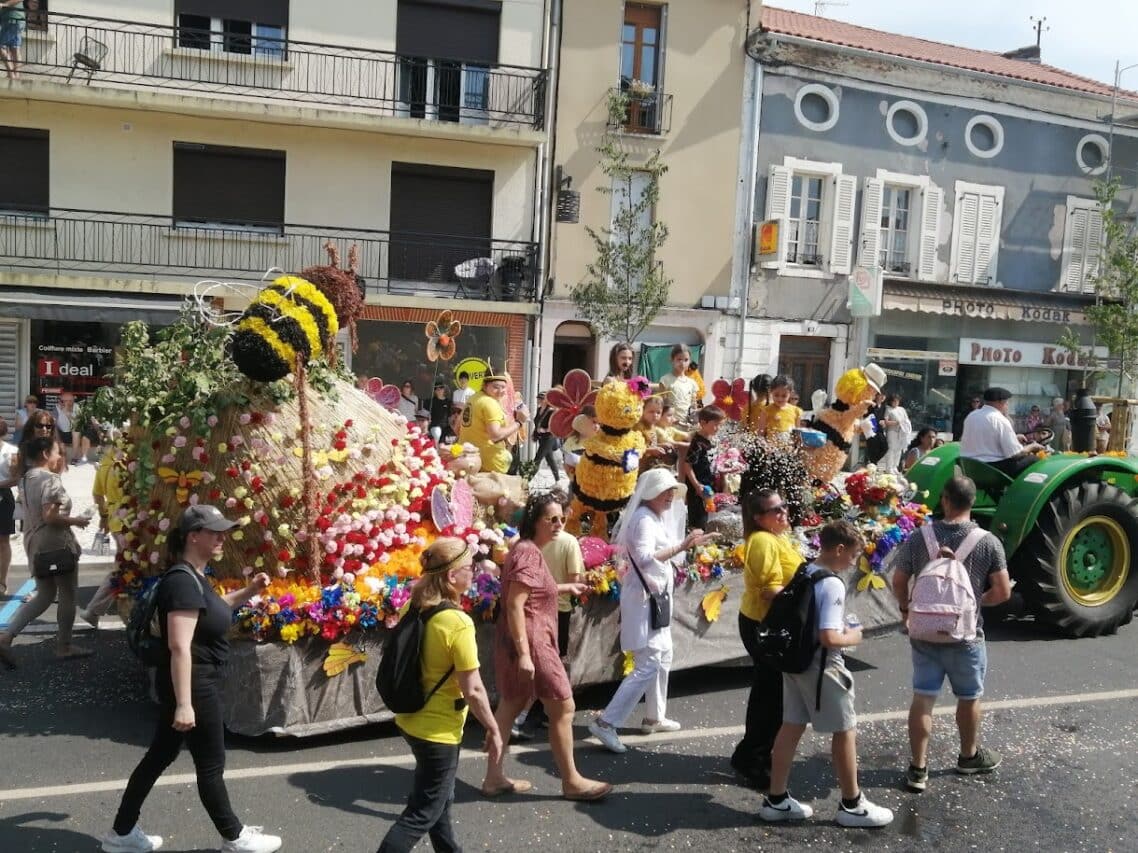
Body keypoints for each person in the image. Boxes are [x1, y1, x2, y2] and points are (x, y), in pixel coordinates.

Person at [100, 505, 283, 853]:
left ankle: (121, 833)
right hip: (194, 684)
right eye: (214, 531)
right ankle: (235, 836)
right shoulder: (183, 581)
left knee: (159, 756)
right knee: (211, 763)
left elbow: (213, 611)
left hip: (191, 682)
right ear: (192, 535)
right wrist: (185, 704)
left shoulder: (193, 576)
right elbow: (179, 645)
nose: (221, 537)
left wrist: (248, 591)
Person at [759, 521, 894, 828]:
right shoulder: (832, 583)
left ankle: (776, 799)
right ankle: (852, 804)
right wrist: (855, 636)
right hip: (822, 667)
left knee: (790, 727)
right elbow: (830, 637)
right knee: (845, 730)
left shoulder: (805, 570)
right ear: (839, 549)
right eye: (853, 555)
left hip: (794, 663)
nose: (854, 562)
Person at [379, 537, 510, 852]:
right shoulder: (458, 623)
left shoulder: (416, 604)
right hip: (439, 731)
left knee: (439, 799)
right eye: (470, 568)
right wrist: (494, 729)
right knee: (421, 814)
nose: (474, 572)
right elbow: (474, 689)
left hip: (412, 720)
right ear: (452, 577)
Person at [486, 492, 612, 801]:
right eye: (551, 519)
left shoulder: (524, 549)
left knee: (510, 707)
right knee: (563, 706)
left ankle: (493, 778)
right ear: (535, 520)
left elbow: (528, 591)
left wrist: (564, 587)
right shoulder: (529, 553)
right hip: (532, 640)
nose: (558, 525)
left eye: (562, 519)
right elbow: (515, 605)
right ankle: (571, 781)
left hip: (523, 640)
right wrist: (526, 654)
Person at [891, 475, 1011, 793]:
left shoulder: (920, 538)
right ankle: (968, 756)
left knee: (923, 697)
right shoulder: (988, 542)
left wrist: (906, 610)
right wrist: (976, 604)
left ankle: (918, 768)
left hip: (924, 633)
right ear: (972, 502)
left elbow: (899, 580)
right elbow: (1002, 591)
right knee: (969, 697)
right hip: (966, 636)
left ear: (944, 500)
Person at [588, 470, 716, 753]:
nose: (671, 496)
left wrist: (691, 544)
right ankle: (607, 722)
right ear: (651, 493)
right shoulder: (644, 519)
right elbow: (646, 559)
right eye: (665, 491)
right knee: (649, 660)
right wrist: (684, 545)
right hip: (644, 598)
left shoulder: (654, 517)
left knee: (664, 655)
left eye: (672, 490)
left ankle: (654, 715)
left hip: (655, 596)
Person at [730, 488, 804, 789]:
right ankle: (753, 757)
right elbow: (768, 590)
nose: (783, 512)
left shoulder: (776, 536)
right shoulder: (761, 541)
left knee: (772, 693)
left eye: (783, 506)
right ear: (759, 518)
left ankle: (755, 752)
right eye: (776, 510)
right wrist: (806, 593)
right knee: (769, 695)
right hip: (763, 624)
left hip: (770, 623)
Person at [0, 436, 92, 669]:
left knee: (44, 593)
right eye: (56, 452)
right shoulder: (49, 479)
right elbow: (50, 516)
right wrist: (77, 520)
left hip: (34, 542)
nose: (60, 456)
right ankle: (64, 645)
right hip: (55, 542)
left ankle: (7, 636)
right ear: (44, 454)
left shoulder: (26, 478)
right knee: (68, 592)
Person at [80, 448, 128, 627]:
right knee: (124, 567)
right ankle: (94, 609)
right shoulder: (126, 464)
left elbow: (97, 495)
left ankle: (95, 610)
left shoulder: (105, 465)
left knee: (123, 565)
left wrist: (104, 515)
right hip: (129, 520)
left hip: (115, 518)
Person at [960, 387, 1044, 477]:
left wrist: (1014, 438)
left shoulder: (972, 416)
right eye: (1007, 402)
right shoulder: (1000, 419)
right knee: (1034, 459)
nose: (1007, 404)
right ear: (1000, 402)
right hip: (993, 469)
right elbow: (1016, 454)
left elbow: (986, 440)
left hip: (970, 466)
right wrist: (1032, 446)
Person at [459, 370, 528, 474]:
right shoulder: (490, 403)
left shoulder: (472, 398)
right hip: (490, 464)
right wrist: (519, 422)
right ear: (485, 385)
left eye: (503, 387)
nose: (500, 391)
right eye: (496, 387)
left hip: (467, 459)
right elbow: (495, 435)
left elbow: (457, 427)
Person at [679, 406, 724, 530]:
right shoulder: (698, 444)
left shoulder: (710, 440)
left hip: (708, 485)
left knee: (707, 514)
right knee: (698, 517)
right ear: (703, 423)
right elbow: (687, 464)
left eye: (720, 425)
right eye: (715, 425)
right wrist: (696, 485)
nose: (718, 428)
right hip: (698, 487)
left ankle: (702, 539)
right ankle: (695, 542)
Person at [635, 396, 676, 473]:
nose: (655, 415)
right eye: (651, 412)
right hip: (639, 468)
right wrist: (651, 450)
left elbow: (649, 444)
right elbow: (634, 449)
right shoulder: (638, 427)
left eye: (658, 412)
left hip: (650, 466)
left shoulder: (653, 426)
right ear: (642, 410)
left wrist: (660, 445)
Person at [756, 375, 803, 443]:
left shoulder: (796, 411)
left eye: (784, 396)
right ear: (771, 392)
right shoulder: (766, 411)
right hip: (772, 451)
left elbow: (798, 434)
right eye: (776, 395)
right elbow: (760, 434)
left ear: (790, 393)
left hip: (789, 451)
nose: (780, 399)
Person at [659, 344, 699, 422]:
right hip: (671, 425)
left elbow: (693, 405)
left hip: (688, 425)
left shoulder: (692, 383)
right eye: (679, 359)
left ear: (690, 361)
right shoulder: (665, 380)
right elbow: (662, 404)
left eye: (686, 360)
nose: (682, 363)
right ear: (672, 360)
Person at [0, 418, 16, 596]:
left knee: (3, 540)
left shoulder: (12, 451)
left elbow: (15, 478)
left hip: (3, 498)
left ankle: (2, 582)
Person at [531, 391, 562, 482]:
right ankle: (558, 480)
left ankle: (527, 479)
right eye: (538, 398)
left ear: (546, 400)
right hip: (541, 437)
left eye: (541, 398)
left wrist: (544, 430)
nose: (539, 400)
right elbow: (537, 423)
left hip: (549, 437)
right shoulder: (539, 409)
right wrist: (535, 432)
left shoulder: (551, 410)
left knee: (537, 459)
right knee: (550, 459)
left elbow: (554, 425)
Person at [560, 407, 596, 484]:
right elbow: (567, 463)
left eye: (596, 422)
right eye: (592, 421)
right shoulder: (572, 440)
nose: (595, 425)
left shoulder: (598, 440)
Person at [880, 393, 912, 473]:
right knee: (891, 449)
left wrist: (904, 424)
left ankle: (895, 466)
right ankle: (889, 467)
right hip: (892, 431)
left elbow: (906, 419)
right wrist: (897, 422)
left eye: (897, 401)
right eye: (894, 401)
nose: (896, 403)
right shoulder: (888, 409)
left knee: (898, 449)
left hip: (901, 432)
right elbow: (886, 421)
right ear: (891, 401)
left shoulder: (901, 409)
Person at [0, 0, 24, 81]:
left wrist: (4, 4)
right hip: (12, 19)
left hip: (12, 19)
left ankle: (11, 75)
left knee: (2, 47)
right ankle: (15, 76)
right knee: (15, 48)